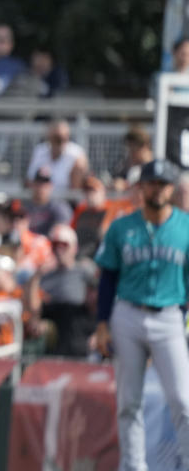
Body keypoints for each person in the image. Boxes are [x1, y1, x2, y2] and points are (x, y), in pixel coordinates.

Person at [93, 160, 189, 470]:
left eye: (163, 183)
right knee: (129, 402)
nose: (157, 188)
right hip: (128, 314)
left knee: (184, 401)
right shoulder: (122, 226)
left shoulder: (186, 227)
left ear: (172, 188)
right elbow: (108, 277)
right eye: (152, 182)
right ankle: (133, 467)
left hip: (169, 316)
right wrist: (102, 324)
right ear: (141, 187)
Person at [26, 224, 94, 357]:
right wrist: (36, 278)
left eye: (64, 245)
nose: (59, 250)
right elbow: (35, 311)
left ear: (74, 247)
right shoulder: (44, 276)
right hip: (55, 335)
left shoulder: (85, 271)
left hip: (81, 331)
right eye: (55, 245)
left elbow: (97, 303)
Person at [25, 119, 89, 193]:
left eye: (64, 138)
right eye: (57, 138)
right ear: (49, 137)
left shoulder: (77, 154)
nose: (60, 142)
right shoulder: (39, 150)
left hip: (66, 201)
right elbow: (30, 180)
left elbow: (77, 188)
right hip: (41, 200)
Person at [23, 166, 73, 237]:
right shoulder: (23, 207)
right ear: (32, 184)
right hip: (27, 244)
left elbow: (60, 234)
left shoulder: (59, 208)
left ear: (51, 186)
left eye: (45, 184)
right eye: (38, 183)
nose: (41, 187)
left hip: (50, 245)